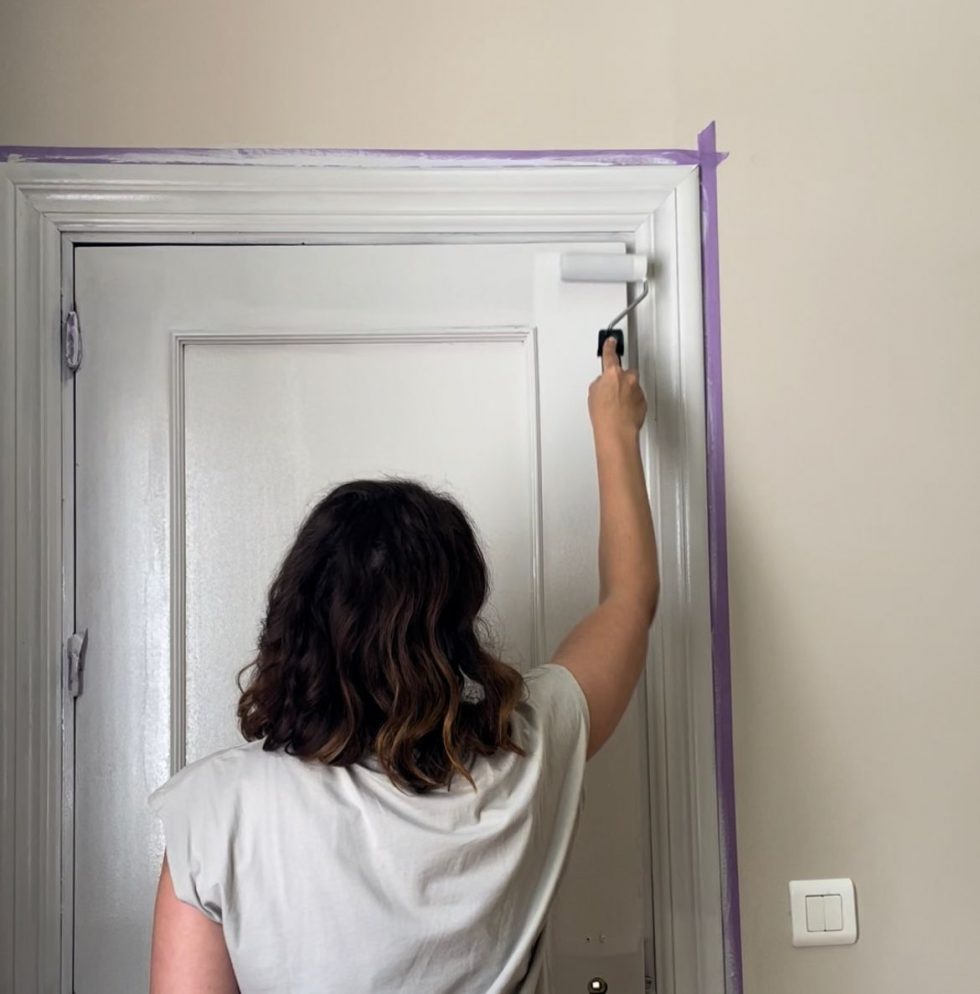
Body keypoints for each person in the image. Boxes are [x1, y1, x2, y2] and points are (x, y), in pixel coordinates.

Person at [148, 334, 659, 994]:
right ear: (453, 630)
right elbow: (629, 599)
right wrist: (615, 429)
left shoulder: (217, 812)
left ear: (296, 622)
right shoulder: (525, 755)